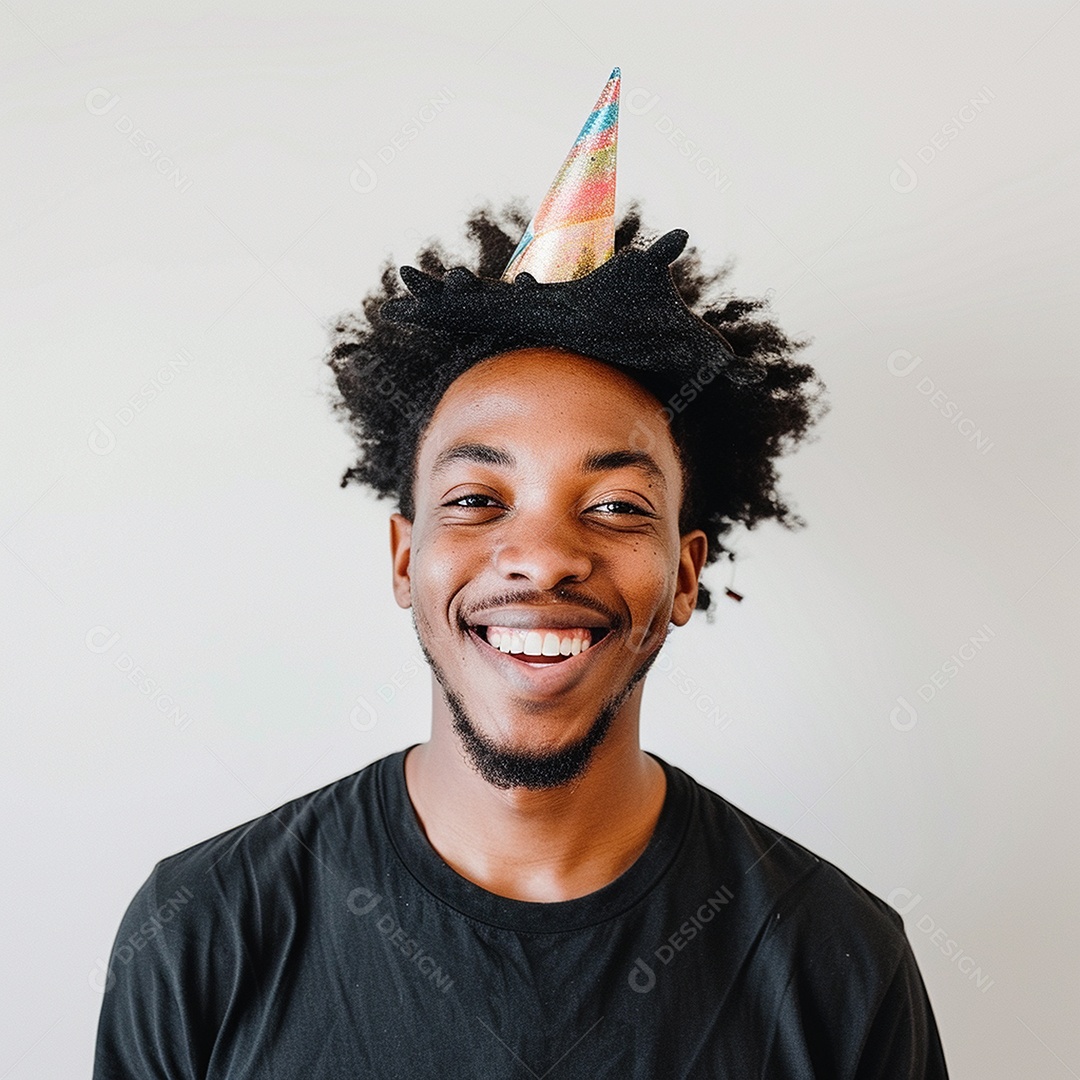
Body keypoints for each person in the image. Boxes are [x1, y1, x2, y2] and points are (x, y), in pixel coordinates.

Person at [93, 70, 949, 1078]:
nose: (542, 556)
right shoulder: (204, 932)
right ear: (407, 559)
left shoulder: (836, 962)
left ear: (683, 575)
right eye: (476, 499)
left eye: (616, 507)